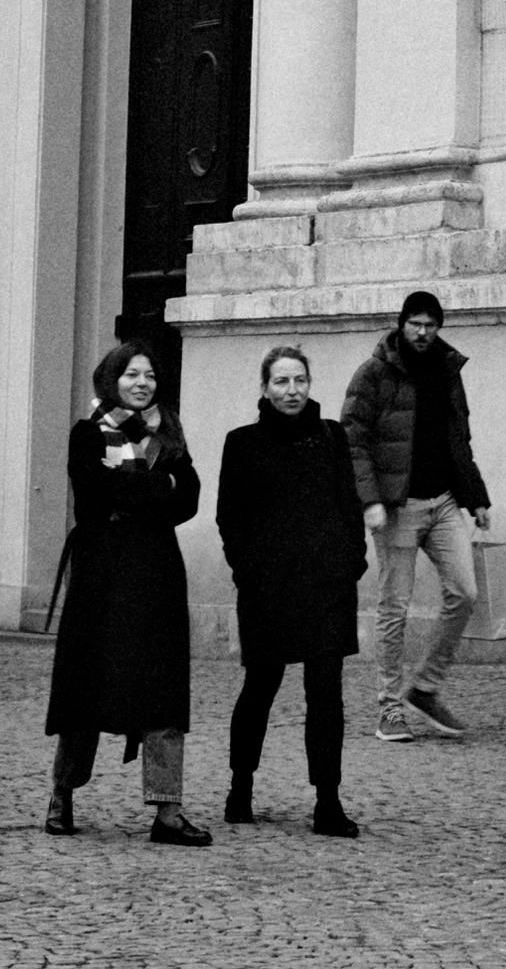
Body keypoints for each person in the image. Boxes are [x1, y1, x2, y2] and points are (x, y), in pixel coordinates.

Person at [43, 342, 208, 844]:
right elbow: (95, 493)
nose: (143, 383)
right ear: (111, 379)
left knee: (162, 686)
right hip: (102, 573)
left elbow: (191, 497)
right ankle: (62, 792)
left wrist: (136, 488)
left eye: (150, 375)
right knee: (86, 684)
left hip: (156, 572)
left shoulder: (170, 432)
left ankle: (168, 811)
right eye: (133, 374)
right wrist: (159, 487)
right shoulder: (87, 433)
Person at [215, 345, 363, 837]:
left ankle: (328, 800)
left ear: (309, 383)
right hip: (268, 590)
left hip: (326, 587)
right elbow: (229, 519)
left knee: (326, 694)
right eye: (281, 382)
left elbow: (349, 504)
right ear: (264, 388)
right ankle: (240, 787)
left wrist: (352, 562)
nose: (292, 390)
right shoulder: (242, 443)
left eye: (299, 380)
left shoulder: (331, 438)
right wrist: (247, 571)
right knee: (260, 687)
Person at [343, 289, 493, 742]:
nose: (424, 332)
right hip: (398, 507)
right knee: (395, 607)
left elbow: (458, 440)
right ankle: (389, 708)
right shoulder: (373, 373)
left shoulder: (448, 370)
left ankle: (425, 688)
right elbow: (353, 440)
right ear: (402, 323)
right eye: (416, 324)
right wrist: (369, 500)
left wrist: (476, 497)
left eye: (431, 325)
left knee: (465, 592)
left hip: (444, 501)